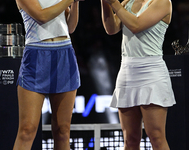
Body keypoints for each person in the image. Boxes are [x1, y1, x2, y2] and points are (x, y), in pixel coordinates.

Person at [100, 0, 176, 149]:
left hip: (152, 72)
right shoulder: (128, 1)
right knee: (130, 139)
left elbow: (136, 25)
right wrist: (105, 3)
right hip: (127, 72)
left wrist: (113, 3)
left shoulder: (163, 2)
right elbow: (111, 28)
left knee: (156, 136)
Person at [13, 0, 82, 149]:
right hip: (35, 58)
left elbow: (70, 28)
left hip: (65, 55)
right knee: (27, 130)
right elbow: (42, 16)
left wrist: (75, 4)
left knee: (62, 130)